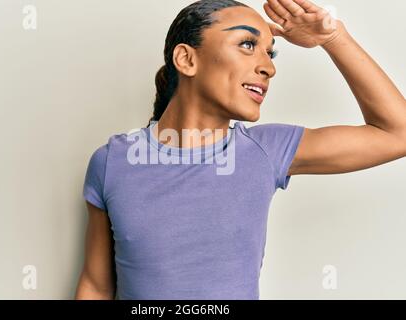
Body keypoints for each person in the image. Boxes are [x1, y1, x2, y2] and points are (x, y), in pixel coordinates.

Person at [75, 0, 406, 300]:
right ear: (187, 59)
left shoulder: (265, 151)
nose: (268, 68)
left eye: (270, 53)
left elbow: (397, 133)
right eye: (248, 44)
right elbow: (97, 285)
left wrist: (333, 38)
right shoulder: (112, 163)